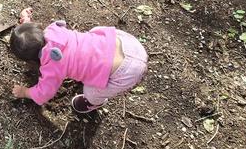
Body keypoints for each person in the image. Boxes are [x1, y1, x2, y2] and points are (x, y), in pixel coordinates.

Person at [9, 8, 148, 113]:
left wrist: (24, 92)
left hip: (126, 72)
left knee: (92, 92)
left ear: (31, 60)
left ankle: (94, 103)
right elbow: (33, 36)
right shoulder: (53, 30)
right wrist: (26, 20)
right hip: (130, 45)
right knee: (95, 32)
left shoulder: (52, 67)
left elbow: (44, 92)